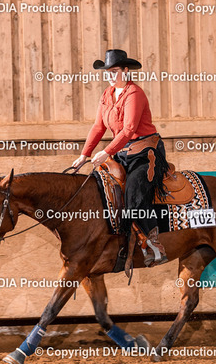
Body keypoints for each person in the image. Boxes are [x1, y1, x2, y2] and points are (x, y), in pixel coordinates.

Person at [71, 49, 170, 266]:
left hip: (145, 153)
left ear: (126, 71)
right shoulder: (107, 95)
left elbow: (129, 129)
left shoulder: (135, 94)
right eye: (108, 72)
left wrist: (106, 152)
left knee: (134, 194)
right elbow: (98, 127)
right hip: (123, 152)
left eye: (115, 71)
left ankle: (155, 245)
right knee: (102, 190)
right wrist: (84, 154)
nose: (110, 75)